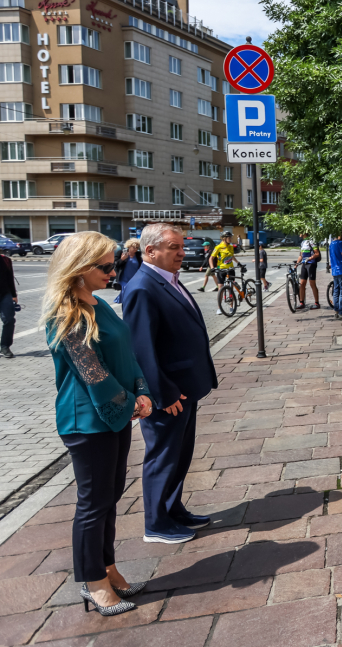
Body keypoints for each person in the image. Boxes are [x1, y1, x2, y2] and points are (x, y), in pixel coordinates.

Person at [42, 231, 153, 616]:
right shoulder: (67, 312)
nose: (114, 270)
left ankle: (108, 569)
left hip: (118, 413)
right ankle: (93, 582)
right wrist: (129, 404)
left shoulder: (99, 303)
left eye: (114, 263)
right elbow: (92, 373)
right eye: (105, 266)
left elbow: (127, 354)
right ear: (80, 267)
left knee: (110, 497)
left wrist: (141, 390)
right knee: (93, 503)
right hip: (87, 420)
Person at [121, 223, 219, 545]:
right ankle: (157, 523)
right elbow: (141, 350)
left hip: (185, 387)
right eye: (174, 247)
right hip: (169, 393)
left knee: (180, 454)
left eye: (181, 246)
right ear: (151, 251)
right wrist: (162, 394)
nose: (182, 252)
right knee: (163, 456)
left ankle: (173, 509)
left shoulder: (168, 280)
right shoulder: (142, 288)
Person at [112, 239, 142, 305]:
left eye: (137, 247)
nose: (135, 249)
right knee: (126, 298)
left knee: (134, 298)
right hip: (124, 280)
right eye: (134, 247)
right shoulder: (121, 253)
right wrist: (122, 259)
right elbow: (115, 265)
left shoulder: (138, 255)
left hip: (135, 280)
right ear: (129, 246)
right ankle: (126, 312)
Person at [295, 233, 321, 309]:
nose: (299, 233)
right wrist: (296, 264)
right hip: (304, 264)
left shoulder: (311, 241)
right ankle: (301, 302)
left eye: (300, 231)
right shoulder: (303, 242)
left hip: (311, 264)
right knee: (302, 283)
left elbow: (317, 254)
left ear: (305, 233)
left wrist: (309, 259)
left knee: (312, 283)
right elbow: (301, 255)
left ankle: (317, 303)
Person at [208, 232, 237, 297]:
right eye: (229, 238)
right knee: (220, 288)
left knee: (230, 289)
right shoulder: (218, 247)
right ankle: (219, 306)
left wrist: (238, 263)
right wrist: (212, 268)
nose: (230, 239)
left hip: (230, 269)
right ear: (224, 238)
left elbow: (232, 256)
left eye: (231, 237)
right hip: (221, 270)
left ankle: (231, 306)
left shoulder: (231, 246)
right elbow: (211, 258)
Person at [1, 250, 16, 358]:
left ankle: (5, 346)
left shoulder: (5, 260)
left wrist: (14, 295)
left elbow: (10, 278)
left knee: (9, 320)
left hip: (5, 294)